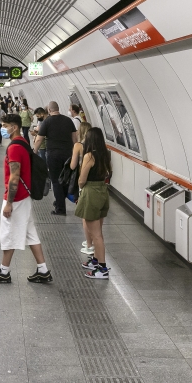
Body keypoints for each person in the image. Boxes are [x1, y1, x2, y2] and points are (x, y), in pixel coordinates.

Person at [0, 114, 52, 284]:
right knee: (30, 234)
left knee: (8, 234)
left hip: (17, 198)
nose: (3, 129)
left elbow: (15, 176)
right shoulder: (23, 142)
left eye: (5, 126)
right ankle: (43, 270)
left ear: (14, 127)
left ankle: (4, 272)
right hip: (25, 196)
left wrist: (9, 203)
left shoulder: (14, 148)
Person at [75, 127, 112, 279]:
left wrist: (79, 185)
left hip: (91, 192)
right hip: (102, 191)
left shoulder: (89, 156)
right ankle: (96, 261)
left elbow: (82, 179)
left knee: (96, 235)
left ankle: (102, 269)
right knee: (98, 231)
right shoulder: (105, 154)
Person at [33, 101, 77, 215]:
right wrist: (76, 153)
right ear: (58, 108)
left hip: (53, 155)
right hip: (68, 154)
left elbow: (39, 139)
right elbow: (75, 138)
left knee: (56, 181)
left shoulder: (47, 122)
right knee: (66, 179)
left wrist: (34, 152)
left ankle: (60, 208)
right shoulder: (68, 121)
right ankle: (60, 201)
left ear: (49, 110)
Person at [70, 122, 93, 253]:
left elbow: (73, 165)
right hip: (95, 181)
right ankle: (92, 239)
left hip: (82, 179)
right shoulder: (95, 146)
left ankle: (89, 244)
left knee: (85, 213)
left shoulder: (78, 145)